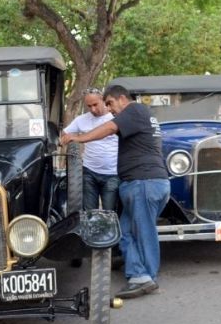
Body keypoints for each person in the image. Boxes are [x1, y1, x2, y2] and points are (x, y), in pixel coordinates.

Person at [61, 84, 169, 300]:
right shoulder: (143, 115)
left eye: (109, 103)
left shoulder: (134, 110)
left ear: (121, 98)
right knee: (125, 231)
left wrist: (79, 138)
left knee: (143, 231)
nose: (109, 109)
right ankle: (136, 270)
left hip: (144, 183)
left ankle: (146, 278)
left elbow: (109, 128)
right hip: (141, 183)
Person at [62, 88, 119, 212]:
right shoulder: (81, 120)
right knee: (89, 214)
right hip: (89, 173)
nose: (93, 109)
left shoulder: (115, 118)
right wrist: (65, 140)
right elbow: (64, 135)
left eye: (95, 105)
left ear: (103, 100)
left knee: (110, 213)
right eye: (89, 106)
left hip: (112, 174)